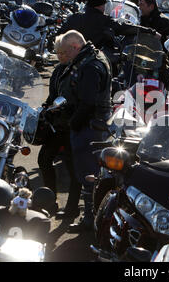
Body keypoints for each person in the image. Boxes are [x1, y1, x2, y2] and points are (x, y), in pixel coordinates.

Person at [55, 30, 112, 233]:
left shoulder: (90, 65)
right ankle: (90, 216)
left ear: (75, 46)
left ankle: (90, 220)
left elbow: (88, 102)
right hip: (92, 123)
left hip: (90, 125)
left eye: (65, 51)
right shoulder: (90, 57)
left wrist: (74, 123)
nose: (64, 57)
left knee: (89, 175)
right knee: (88, 173)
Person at [37, 36, 82, 220]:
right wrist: (44, 109)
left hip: (71, 125)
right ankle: (50, 201)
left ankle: (72, 207)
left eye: (63, 53)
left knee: (73, 169)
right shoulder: (57, 71)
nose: (61, 56)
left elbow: (76, 99)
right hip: (56, 125)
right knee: (43, 159)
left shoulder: (79, 71)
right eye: (58, 53)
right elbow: (52, 96)